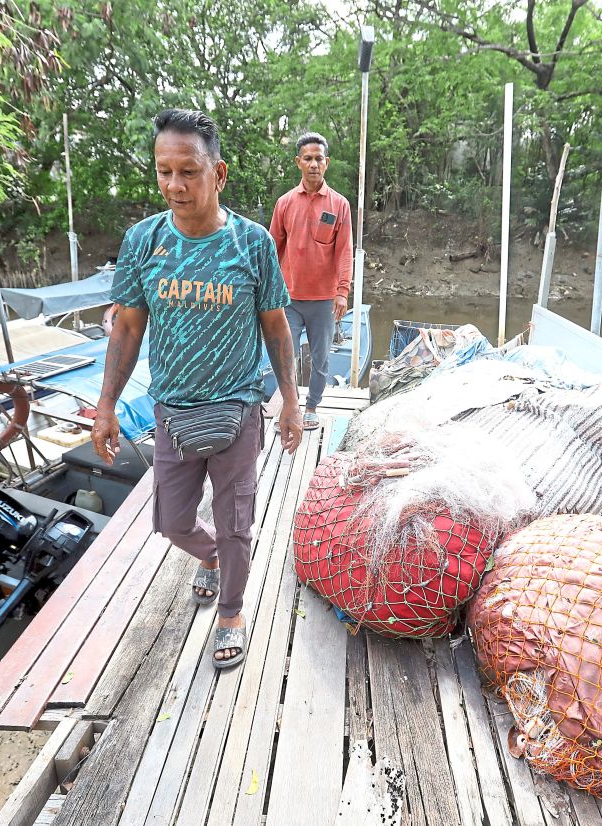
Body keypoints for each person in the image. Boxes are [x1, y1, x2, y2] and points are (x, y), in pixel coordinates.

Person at [93, 108, 303, 669]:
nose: (174, 185)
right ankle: (207, 557)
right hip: (172, 413)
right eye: (164, 172)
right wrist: (107, 405)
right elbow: (129, 326)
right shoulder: (143, 242)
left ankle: (231, 613)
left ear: (219, 173)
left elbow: (275, 325)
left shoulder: (253, 243)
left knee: (237, 525)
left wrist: (290, 401)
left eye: (188, 171)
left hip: (237, 408)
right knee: (172, 521)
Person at [270, 132, 354, 430]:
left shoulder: (339, 205)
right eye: (308, 158)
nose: (314, 164)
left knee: (320, 358)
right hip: (289, 298)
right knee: (285, 356)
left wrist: (342, 292)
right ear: (298, 162)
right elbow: (273, 247)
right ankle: (290, 407)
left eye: (319, 158)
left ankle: (312, 407)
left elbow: (344, 251)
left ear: (327, 163)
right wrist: (268, 289)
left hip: (323, 300)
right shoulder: (284, 203)